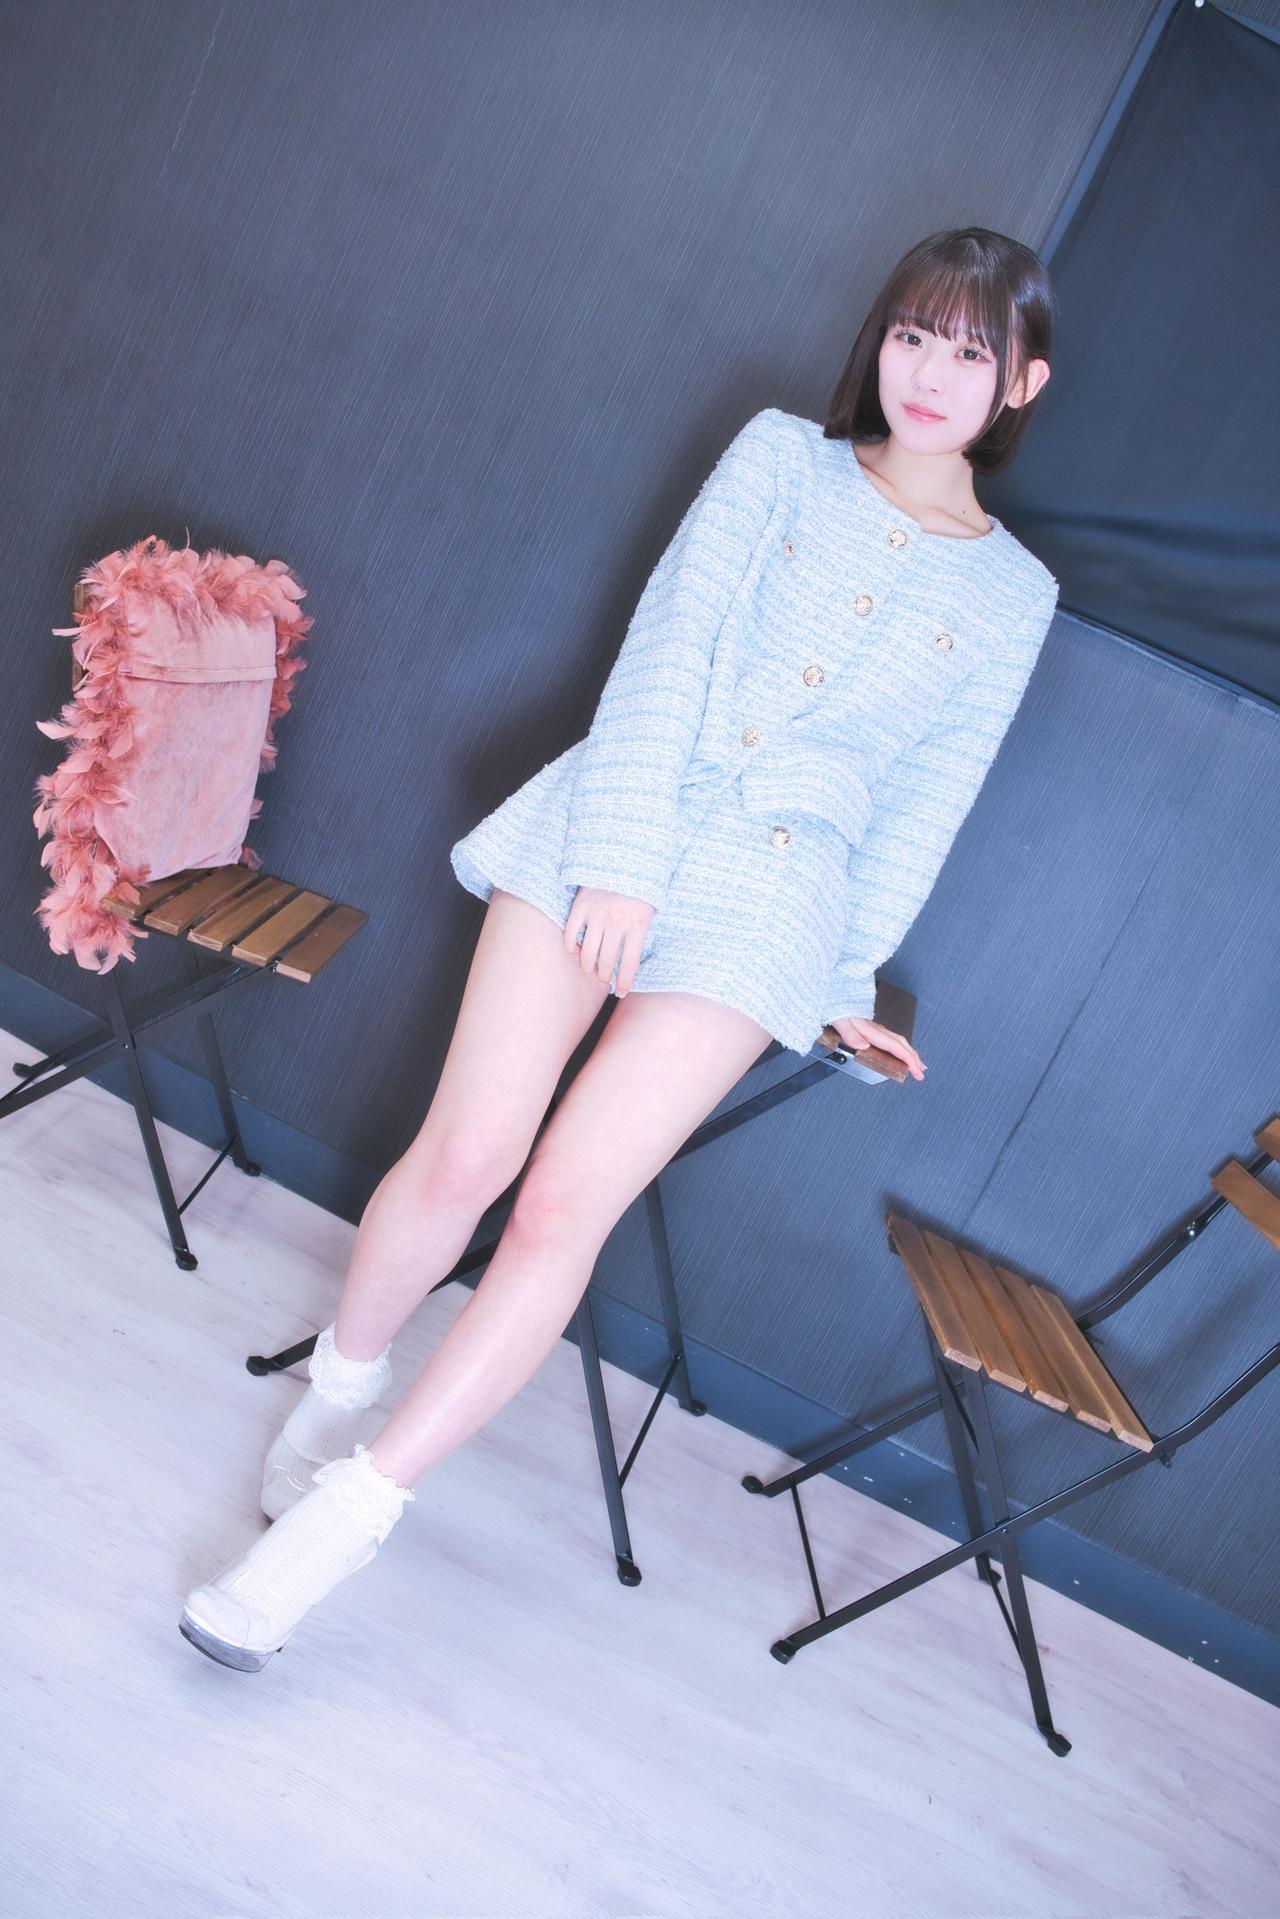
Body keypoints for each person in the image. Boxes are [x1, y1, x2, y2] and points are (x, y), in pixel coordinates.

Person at [180, 225, 1057, 1672]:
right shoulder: (779, 458)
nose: (928, 371)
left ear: (1021, 383)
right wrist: (627, 863)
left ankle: (346, 1518)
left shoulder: (1016, 596)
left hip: (772, 907)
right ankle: (340, 1386)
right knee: (468, 1155)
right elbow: (667, 647)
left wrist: (840, 983)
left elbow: (921, 807)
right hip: (614, 822)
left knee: (560, 1213)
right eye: (912, 333)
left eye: (971, 351)